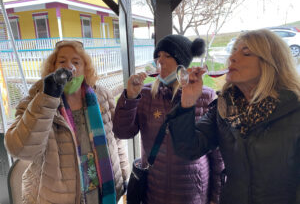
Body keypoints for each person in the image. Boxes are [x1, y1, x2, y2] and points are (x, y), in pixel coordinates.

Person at [167, 29, 300, 204]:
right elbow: (188, 149)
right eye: (234, 51)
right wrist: (187, 102)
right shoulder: (224, 108)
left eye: (246, 53)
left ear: (272, 63)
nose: (232, 58)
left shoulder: (294, 110)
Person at [5, 40, 129, 204]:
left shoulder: (103, 96)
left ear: (85, 68)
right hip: (58, 197)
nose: (69, 67)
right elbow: (20, 149)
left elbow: (116, 140)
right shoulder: (37, 100)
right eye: (62, 61)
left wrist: (124, 176)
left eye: (76, 62)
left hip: (100, 194)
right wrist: (48, 97)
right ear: (53, 68)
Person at [113, 34, 224, 204]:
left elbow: (217, 156)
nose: (160, 61)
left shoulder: (205, 96)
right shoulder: (145, 94)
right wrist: (130, 97)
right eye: (158, 56)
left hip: (193, 191)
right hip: (153, 189)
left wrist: (216, 198)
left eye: (167, 56)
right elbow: (123, 132)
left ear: (182, 61)